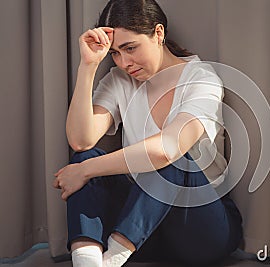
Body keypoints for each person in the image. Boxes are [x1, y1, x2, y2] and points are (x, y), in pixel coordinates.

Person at [52, 0, 243, 266]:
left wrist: (86, 170)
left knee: (176, 155)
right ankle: (87, 261)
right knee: (85, 156)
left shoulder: (201, 79)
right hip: (143, 230)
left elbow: (167, 148)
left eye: (130, 48)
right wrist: (89, 66)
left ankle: (114, 257)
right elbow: (80, 139)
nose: (124, 62)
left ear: (158, 33)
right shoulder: (119, 81)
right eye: (115, 54)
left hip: (201, 231)